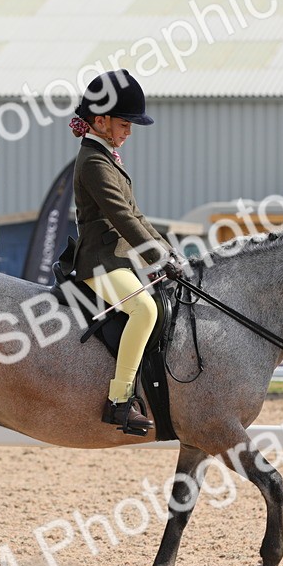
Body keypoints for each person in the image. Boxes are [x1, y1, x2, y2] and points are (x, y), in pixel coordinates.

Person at [65, 69, 185, 435]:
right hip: (99, 263)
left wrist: (171, 253)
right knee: (144, 310)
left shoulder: (108, 158)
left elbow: (137, 216)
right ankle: (119, 400)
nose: (129, 131)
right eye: (125, 124)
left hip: (118, 260)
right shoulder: (94, 163)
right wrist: (159, 259)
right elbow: (122, 219)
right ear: (100, 121)